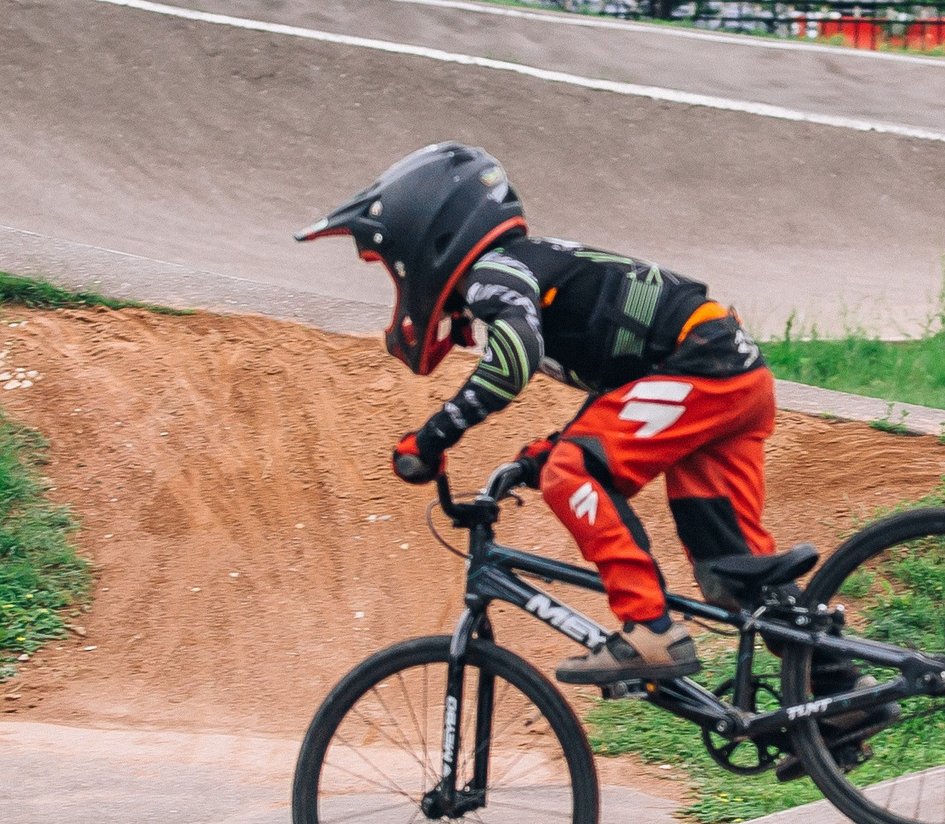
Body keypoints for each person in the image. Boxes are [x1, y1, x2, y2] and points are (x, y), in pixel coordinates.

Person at [298, 142, 778, 686]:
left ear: (431, 240)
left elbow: (512, 361)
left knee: (570, 471)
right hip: (727, 372)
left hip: (702, 366)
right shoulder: (534, 265)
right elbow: (625, 380)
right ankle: (831, 686)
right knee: (731, 574)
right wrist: (541, 452)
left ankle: (650, 629)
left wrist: (433, 438)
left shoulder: (495, 272)